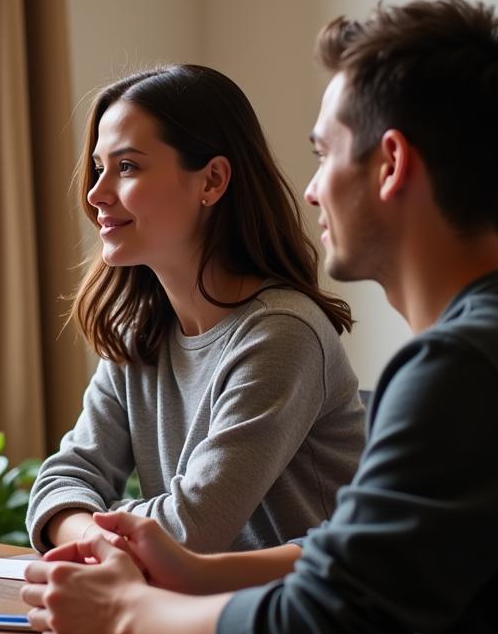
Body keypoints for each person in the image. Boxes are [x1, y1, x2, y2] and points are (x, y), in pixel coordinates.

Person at [21, 0, 498, 634]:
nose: (312, 188)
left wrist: (125, 613)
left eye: (322, 153)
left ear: (390, 165)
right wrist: (189, 572)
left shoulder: (462, 367)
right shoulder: (492, 342)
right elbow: (352, 554)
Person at [26, 64, 364, 555]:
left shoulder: (281, 334)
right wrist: (102, 538)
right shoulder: (137, 332)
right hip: (186, 612)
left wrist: (88, 533)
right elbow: (61, 481)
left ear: (212, 180)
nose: (96, 194)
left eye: (127, 167)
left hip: (294, 623)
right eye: (99, 168)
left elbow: (192, 529)